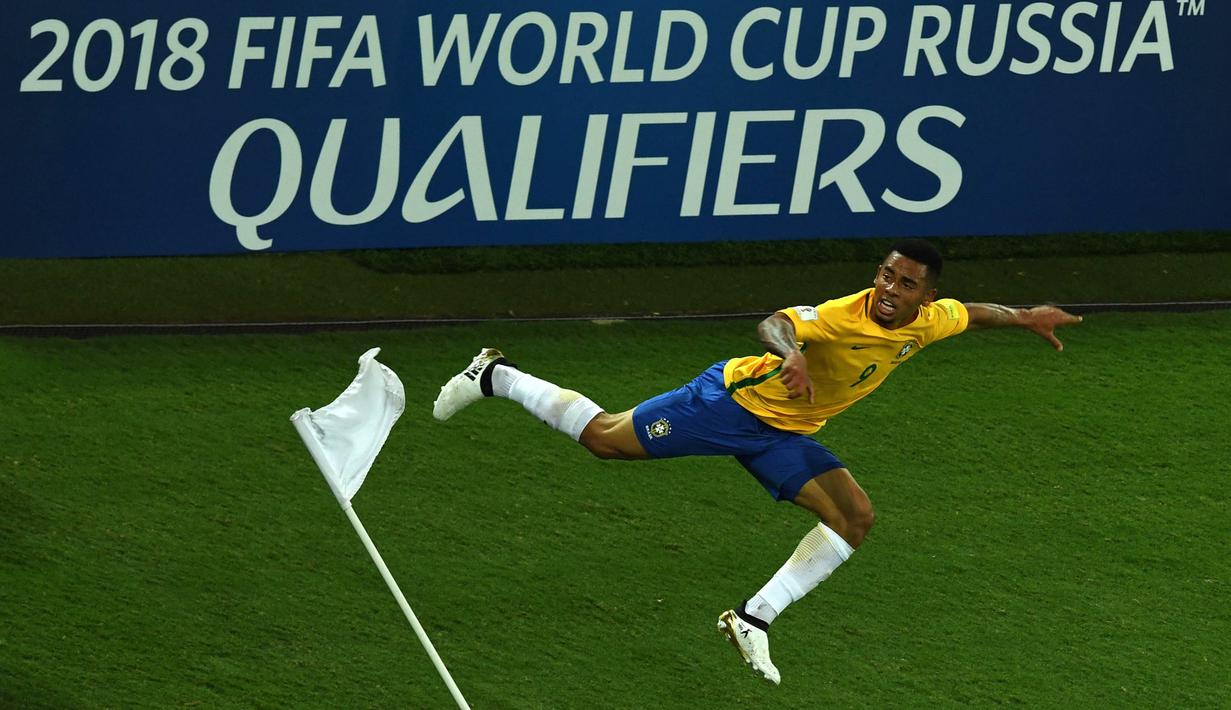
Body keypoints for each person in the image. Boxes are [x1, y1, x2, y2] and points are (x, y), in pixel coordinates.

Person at [431, 239, 1082, 685]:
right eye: (886, 275)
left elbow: (972, 314)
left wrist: (1025, 316)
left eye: (906, 283)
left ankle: (750, 619)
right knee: (604, 439)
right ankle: (496, 375)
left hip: (785, 435)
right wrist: (792, 353)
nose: (889, 288)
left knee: (853, 518)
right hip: (730, 405)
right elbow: (775, 322)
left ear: (925, 294)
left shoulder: (930, 320)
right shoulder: (841, 315)